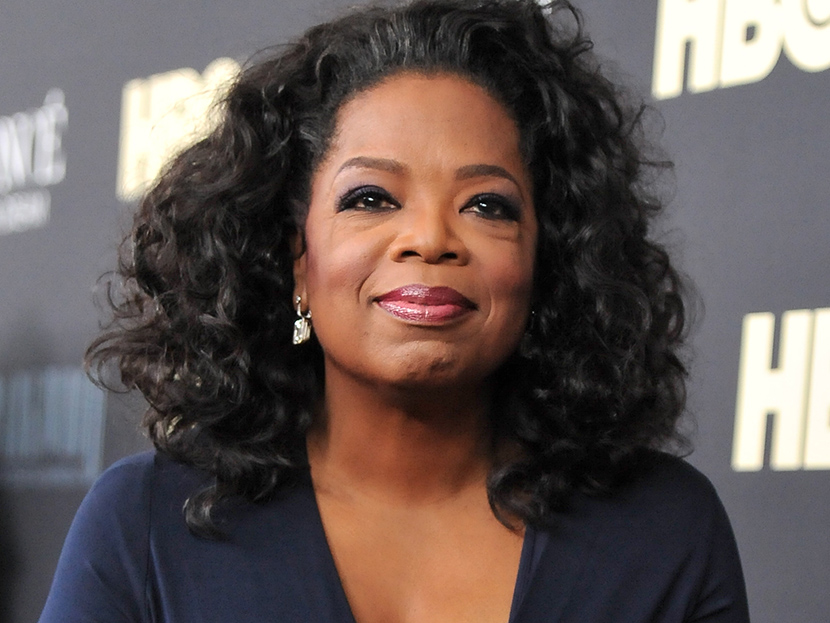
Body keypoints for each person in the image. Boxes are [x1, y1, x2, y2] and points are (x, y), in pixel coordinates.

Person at [39, 0, 749, 621]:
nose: (431, 237)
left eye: (487, 205)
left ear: (545, 262)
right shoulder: (148, 525)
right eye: (371, 198)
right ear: (297, 261)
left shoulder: (665, 534)